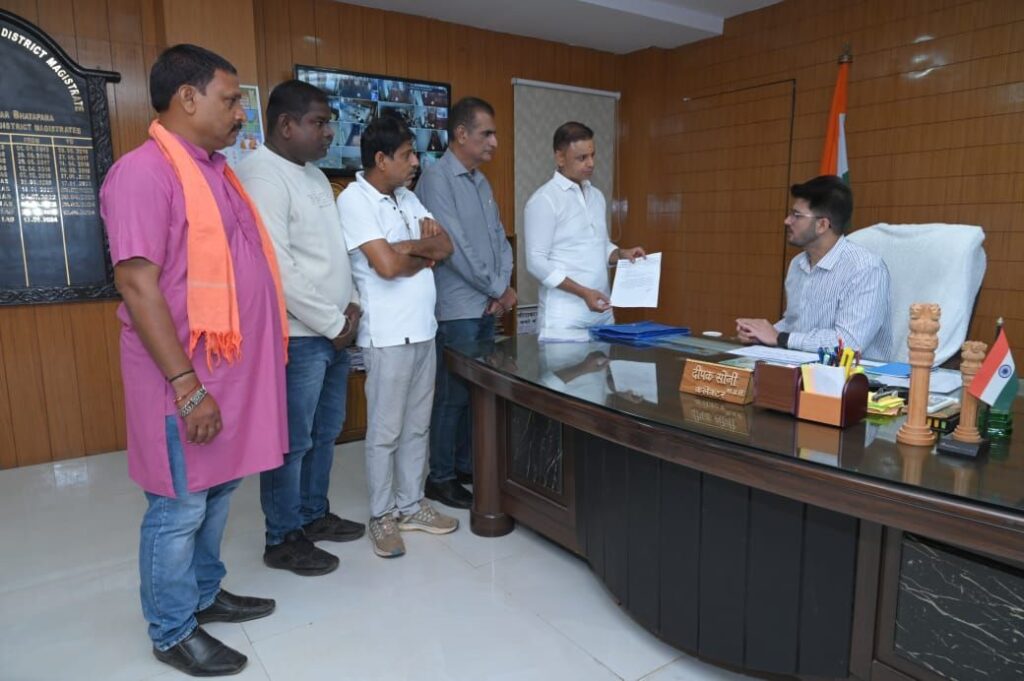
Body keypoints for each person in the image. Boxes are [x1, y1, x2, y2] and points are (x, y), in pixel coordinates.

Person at [100, 44, 288, 677]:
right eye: (229, 100)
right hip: (181, 380)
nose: (240, 114)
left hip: (225, 377)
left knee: (217, 492)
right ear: (187, 97)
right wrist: (187, 386)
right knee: (178, 506)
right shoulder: (142, 173)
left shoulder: (216, 171)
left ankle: (205, 593)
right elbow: (138, 285)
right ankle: (172, 629)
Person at [236, 80, 365, 577]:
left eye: (329, 122)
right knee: (291, 441)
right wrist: (335, 323)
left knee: (325, 432)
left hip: (333, 333)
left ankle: (313, 514)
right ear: (286, 124)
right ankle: (283, 537)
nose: (330, 132)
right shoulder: (262, 175)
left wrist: (352, 305)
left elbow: (335, 251)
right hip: (300, 335)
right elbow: (278, 267)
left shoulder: (313, 174)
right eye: (319, 122)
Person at [336, 115, 459, 559]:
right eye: (407, 155)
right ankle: (382, 515)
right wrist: (416, 252)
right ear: (381, 158)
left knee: (417, 426)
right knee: (386, 431)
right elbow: (385, 268)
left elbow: (445, 247)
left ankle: (410, 506)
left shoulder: (407, 197)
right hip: (387, 336)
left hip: (424, 329)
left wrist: (406, 247)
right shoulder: (354, 199)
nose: (415, 162)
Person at [415, 97, 514, 509]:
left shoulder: (481, 181)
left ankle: (464, 465)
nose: (494, 142)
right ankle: (440, 477)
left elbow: (499, 239)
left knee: (476, 395)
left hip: (486, 305)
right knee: (451, 396)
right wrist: (497, 288)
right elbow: (454, 248)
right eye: (486, 133)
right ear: (460, 134)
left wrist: (503, 285)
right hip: (456, 309)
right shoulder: (437, 179)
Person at [736, 175, 893, 360]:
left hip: (856, 374)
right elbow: (795, 324)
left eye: (796, 215)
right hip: (802, 366)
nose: (787, 221)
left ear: (822, 225)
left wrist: (780, 337)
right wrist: (759, 333)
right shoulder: (798, 264)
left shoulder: (866, 268)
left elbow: (849, 343)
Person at [524, 121, 645, 337]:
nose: (591, 163)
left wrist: (621, 254)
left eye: (592, 155)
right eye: (582, 158)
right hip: (564, 317)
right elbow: (536, 262)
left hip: (603, 313)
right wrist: (583, 292)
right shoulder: (544, 200)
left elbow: (600, 245)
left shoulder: (596, 196)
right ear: (560, 158)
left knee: (606, 361)